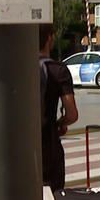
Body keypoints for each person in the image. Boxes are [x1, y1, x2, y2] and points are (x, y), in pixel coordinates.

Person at [40, 24, 79, 190]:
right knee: (50, 197)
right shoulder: (57, 70)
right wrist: (60, 123)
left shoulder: (16, 69)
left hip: (18, 146)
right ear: (49, 38)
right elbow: (72, 114)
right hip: (47, 144)